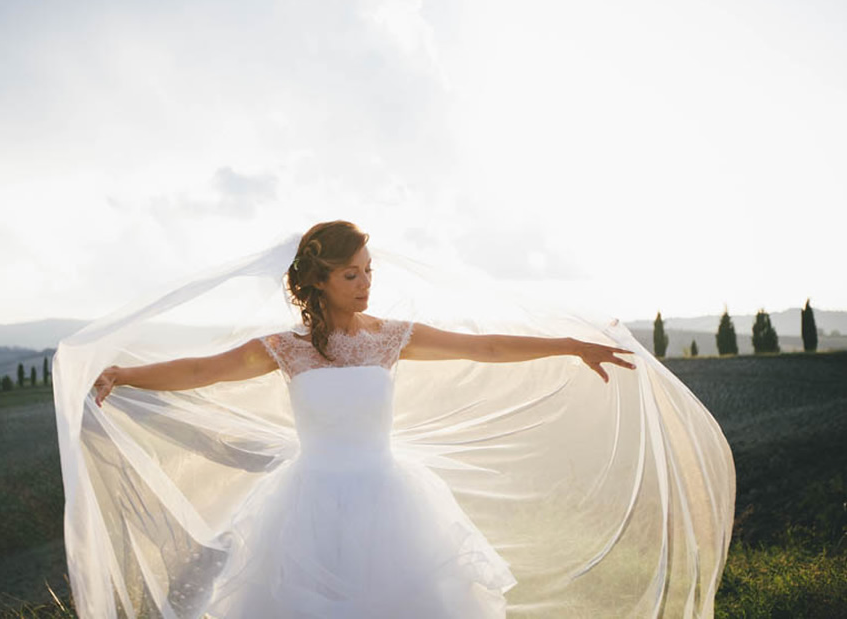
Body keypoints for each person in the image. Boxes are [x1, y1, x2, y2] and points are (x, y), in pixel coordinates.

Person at [55, 220, 735, 618]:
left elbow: (486, 345)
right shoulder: (284, 349)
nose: (365, 281)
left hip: (392, 502)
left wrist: (570, 343)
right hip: (306, 507)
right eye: (352, 273)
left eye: (368, 270)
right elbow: (203, 369)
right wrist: (128, 373)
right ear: (318, 279)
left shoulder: (391, 336)